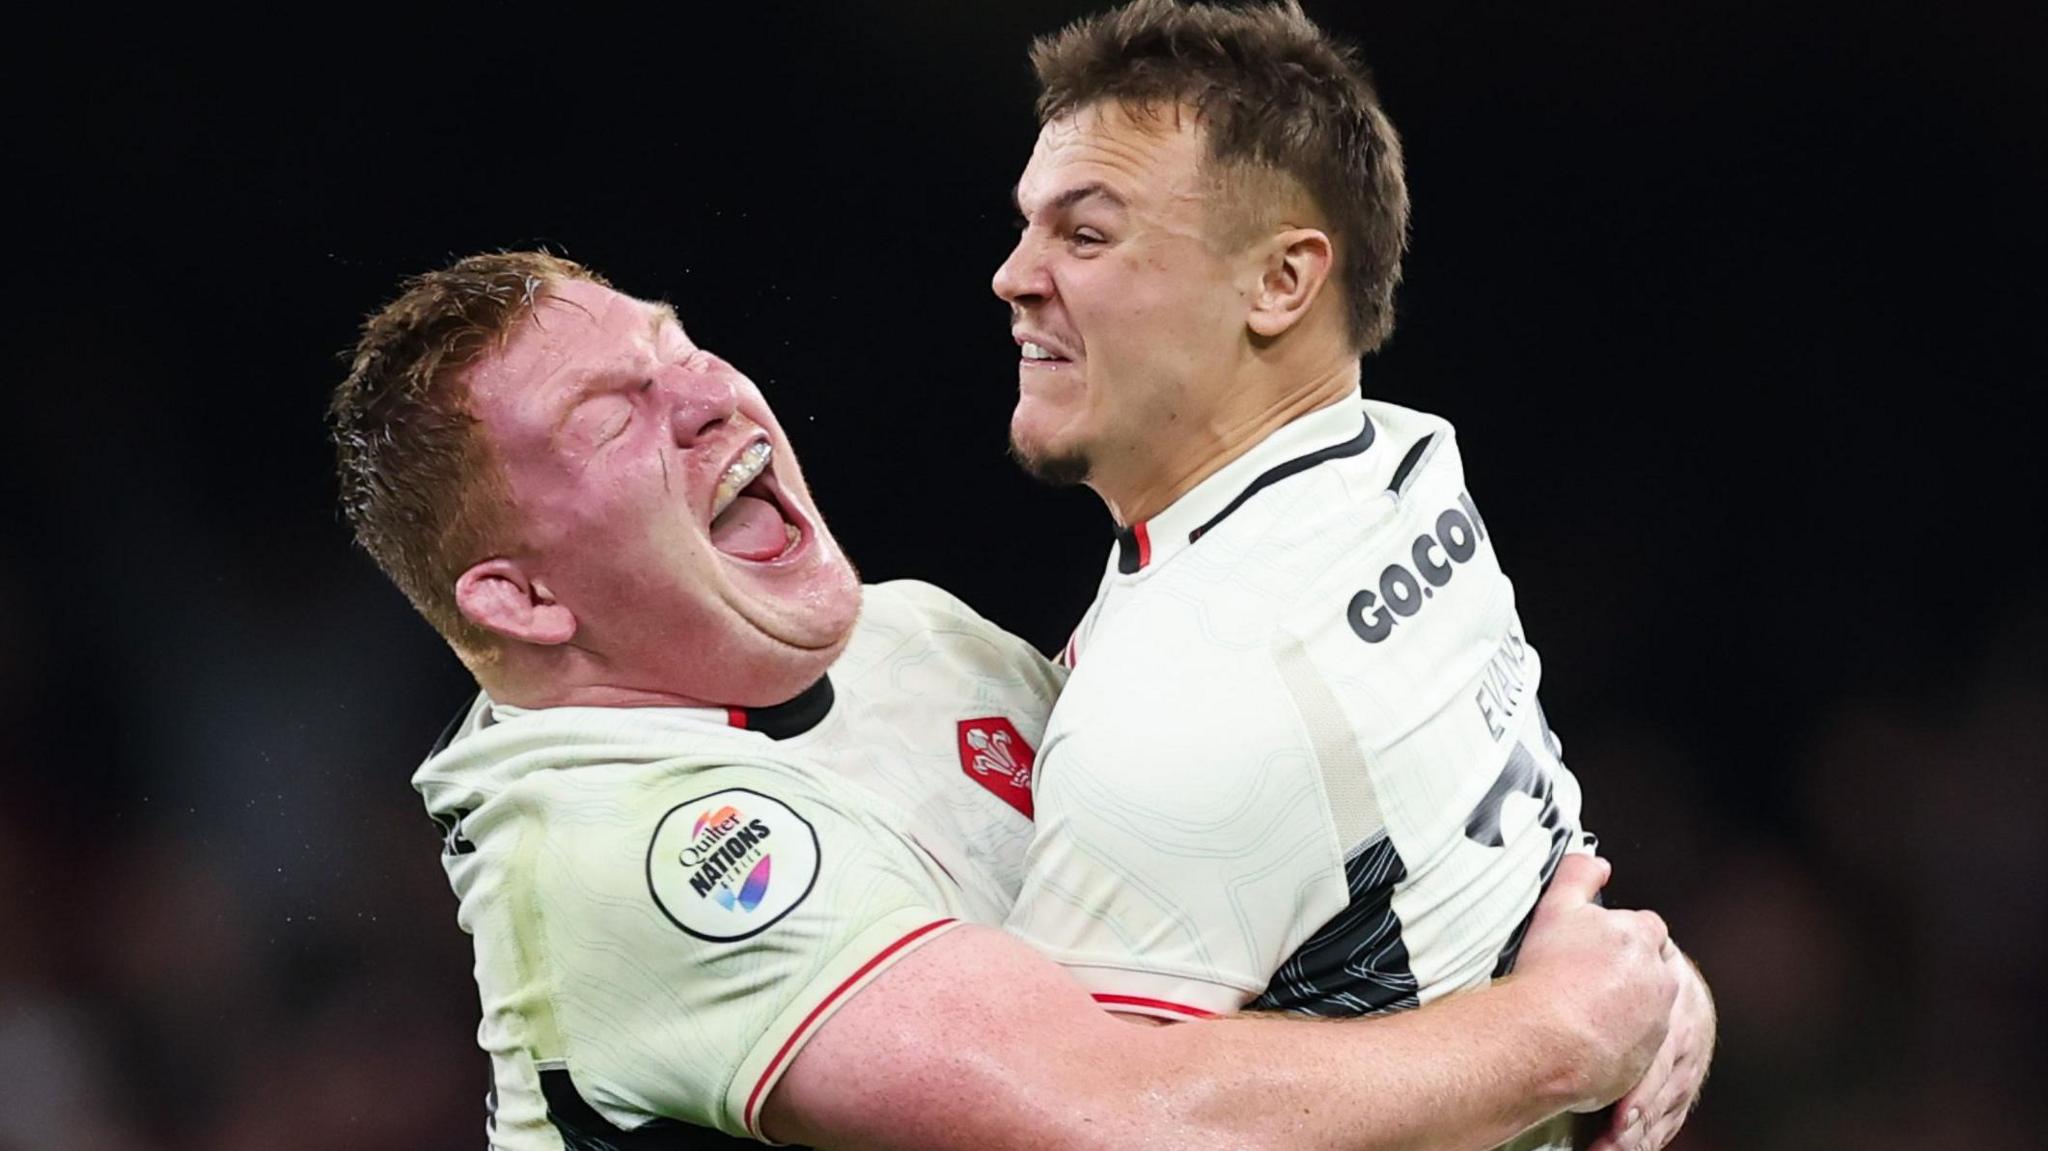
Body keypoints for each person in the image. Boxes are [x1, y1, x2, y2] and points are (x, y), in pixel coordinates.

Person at [333, 251, 1680, 1150]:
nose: (705, 393)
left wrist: (1624, 977)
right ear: (521, 601)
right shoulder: (620, 858)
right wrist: (1553, 1034)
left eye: (677, 343)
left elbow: (1270, 901)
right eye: (609, 414)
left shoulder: (912, 637)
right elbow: (1116, 1115)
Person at [989, 3, 1714, 1149]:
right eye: (1028, 227)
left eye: (1085, 235)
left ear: (1280, 282)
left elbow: (1064, 1115)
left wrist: (1576, 1030)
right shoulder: (1397, 459)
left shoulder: (1182, 697)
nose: (1011, 276)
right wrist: (1642, 995)